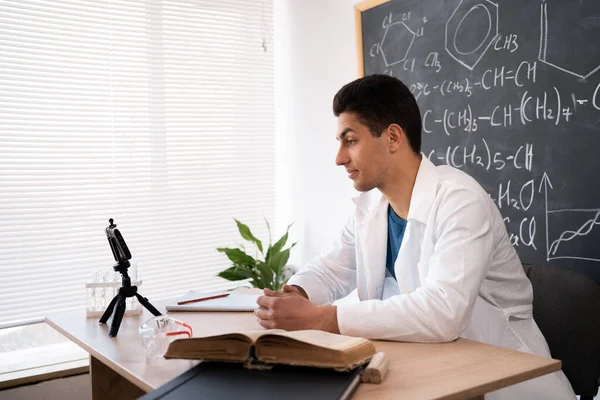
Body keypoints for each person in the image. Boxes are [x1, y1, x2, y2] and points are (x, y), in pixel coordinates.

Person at [255, 74, 575, 399]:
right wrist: (295, 292)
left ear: (393, 137)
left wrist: (325, 318)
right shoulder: (371, 206)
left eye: (350, 140)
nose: (339, 157)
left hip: (506, 374)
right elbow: (332, 268)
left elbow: (443, 313)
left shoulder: (460, 200)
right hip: (434, 365)